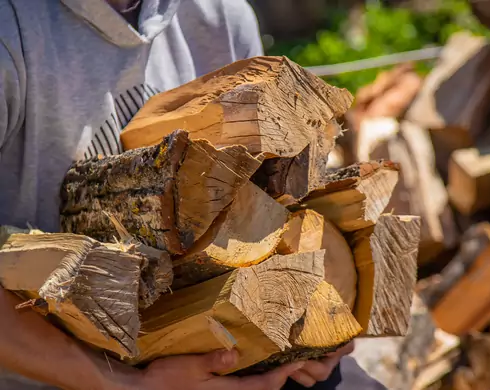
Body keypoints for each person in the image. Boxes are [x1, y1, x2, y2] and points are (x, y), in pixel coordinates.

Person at [0, 0, 356, 389]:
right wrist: (126, 384)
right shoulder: (12, 32)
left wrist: (312, 339)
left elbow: (277, 204)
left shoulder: (219, 15)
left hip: (219, 351)